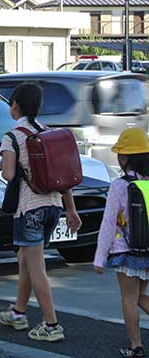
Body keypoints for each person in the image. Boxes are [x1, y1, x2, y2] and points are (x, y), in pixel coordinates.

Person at [0, 83, 82, 342]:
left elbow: (9, 175)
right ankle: (18, 312)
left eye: (12, 103)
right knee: (25, 260)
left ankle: (51, 324)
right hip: (53, 207)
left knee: (36, 267)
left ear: (16, 105)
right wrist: (72, 211)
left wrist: (4, 162)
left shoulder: (12, 136)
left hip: (29, 208)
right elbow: (63, 178)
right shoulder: (48, 133)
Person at [94, 127, 149, 358]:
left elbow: (108, 224)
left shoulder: (119, 186)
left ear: (124, 157)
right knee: (140, 297)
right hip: (147, 251)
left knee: (129, 298)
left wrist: (99, 257)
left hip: (125, 251)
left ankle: (135, 347)